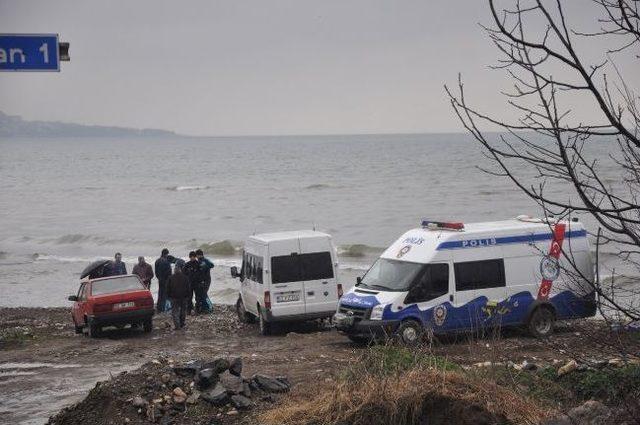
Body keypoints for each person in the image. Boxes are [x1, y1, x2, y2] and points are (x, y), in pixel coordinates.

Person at [166, 260, 190, 330]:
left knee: (175, 312)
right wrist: (188, 296)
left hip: (174, 297)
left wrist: (168, 296)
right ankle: (182, 324)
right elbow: (188, 288)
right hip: (183, 297)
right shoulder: (185, 278)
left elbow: (167, 288)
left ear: (174, 271)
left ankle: (177, 326)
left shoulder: (170, 278)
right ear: (180, 270)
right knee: (183, 311)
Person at [155, 248, 172, 312]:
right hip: (166, 280)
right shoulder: (166, 261)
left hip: (160, 279)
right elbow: (169, 272)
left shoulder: (157, 261)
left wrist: (159, 278)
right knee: (165, 294)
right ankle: (164, 308)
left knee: (160, 293)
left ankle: (159, 308)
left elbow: (156, 272)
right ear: (166, 254)